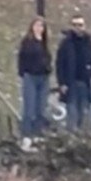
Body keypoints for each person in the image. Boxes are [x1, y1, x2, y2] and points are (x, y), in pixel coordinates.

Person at [17, 16, 52, 150]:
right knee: (29, 108)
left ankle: (38, 134)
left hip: (43, 77)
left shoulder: (44, 43)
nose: (39, 28)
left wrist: (48, 68)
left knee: (41, 108)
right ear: (32, 27)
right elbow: (22, 57)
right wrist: (23, 73)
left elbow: (47, 58)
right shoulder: (28, 42)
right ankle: (26, 136)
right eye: (37, 25)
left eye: (42, 26)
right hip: (31, 76)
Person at [55, 14, 91, 133]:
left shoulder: (89, 42)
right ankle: (71, 135)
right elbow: (59, 64)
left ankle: (80, 134)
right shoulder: (65, 43)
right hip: (70, 82)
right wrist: (62, 83)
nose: (78, 27)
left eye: (80, 25)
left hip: (85, 82)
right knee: (71, 110)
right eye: (75, 25)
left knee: (83, 110)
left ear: (84, 26)